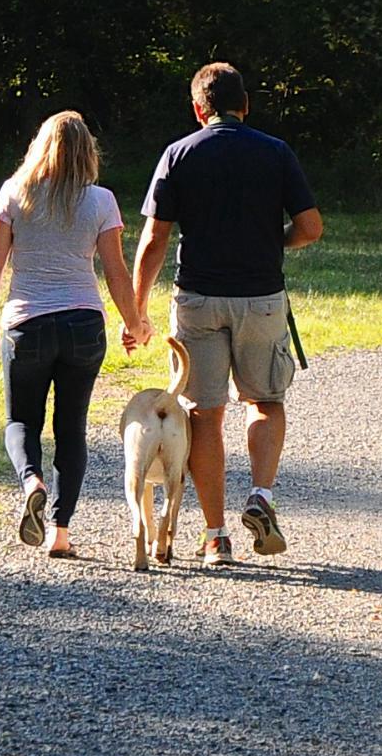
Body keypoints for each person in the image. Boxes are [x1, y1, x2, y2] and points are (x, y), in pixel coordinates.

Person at [131, 62, 323, 566]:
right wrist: (275, 241)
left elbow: (154, 239)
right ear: (246, 105)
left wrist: (137, 309)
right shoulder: (275, 152)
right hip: (261, 298)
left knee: (204, 414)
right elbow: (311, 227)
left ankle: (216, 536)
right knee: (265, 401)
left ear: (199, 109)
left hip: (198, 299)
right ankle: (260, 495)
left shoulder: (178, 154)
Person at [0, 111, 149, 558]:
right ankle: (60, 533)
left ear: (40, 148)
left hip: (27, 323)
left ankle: (31, 482)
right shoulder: (101, 201)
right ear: (87, 153)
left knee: (21, 421)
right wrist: (134, 323)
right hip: (83, 325)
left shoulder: (14, 193)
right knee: (71, 428)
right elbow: (115, 272)